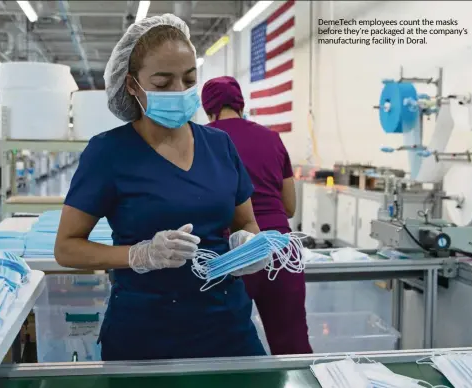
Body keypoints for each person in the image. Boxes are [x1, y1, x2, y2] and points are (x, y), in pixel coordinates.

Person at [54, 15, 270, 361]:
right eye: (162, 81)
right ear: (131, 85)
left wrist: (247, 245)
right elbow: (66, 248)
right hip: (145, 332)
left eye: (189, 79)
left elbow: (246, 222)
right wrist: (140, 255)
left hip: (227, 324)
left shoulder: (220, 145)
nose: (179, 92)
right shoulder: (109, 152)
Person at [201, 76, 313, 355]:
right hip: (280, 248)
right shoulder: (272, 138)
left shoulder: (201, 140)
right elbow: (289, 207)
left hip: (231, 250)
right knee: (292, 343)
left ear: (207, 108)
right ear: (240, 104)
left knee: (221, 344)